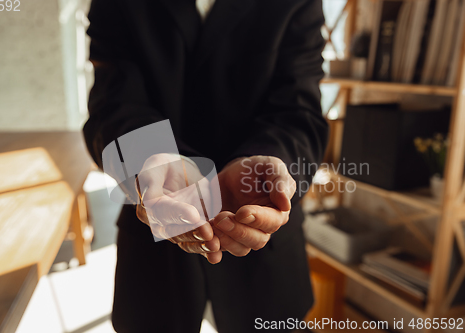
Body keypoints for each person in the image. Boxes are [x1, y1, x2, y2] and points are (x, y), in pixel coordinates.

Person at [83, 0, 329, 331]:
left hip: (265, 250)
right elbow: (112, 105)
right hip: (155, 245)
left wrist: (272, 162)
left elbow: (300, 109)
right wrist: (150, 157)